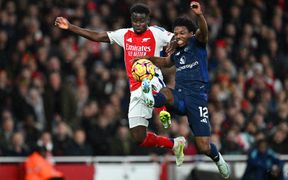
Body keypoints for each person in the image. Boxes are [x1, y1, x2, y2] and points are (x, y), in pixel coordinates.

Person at [54, 3, 186, 165]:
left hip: (152, 79)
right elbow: (98, 36)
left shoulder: (156, 32)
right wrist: (70, 27)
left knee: (152, 85)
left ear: (148, 20)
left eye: (141, 21)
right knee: (139, 138)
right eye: (135, 20)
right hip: (135, 89)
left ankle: (162, 109)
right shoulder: (124, 35)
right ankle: (174, 144)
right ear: (131, 19)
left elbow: (175, 38)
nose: (138, 24)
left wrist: (173, 43)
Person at [139, 1, 230, 178]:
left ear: (190, 34)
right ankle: (151, 99)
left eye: (182, 32)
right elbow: (165, 63)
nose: (178, 35)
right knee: (165, 92)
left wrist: (199, 15)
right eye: (176, 33)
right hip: (180, 95)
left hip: (197, 99)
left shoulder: (198, 43)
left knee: (203, 146)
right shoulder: (177, 53)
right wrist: (147, 58)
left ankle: (218, 158)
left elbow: (203, 31)